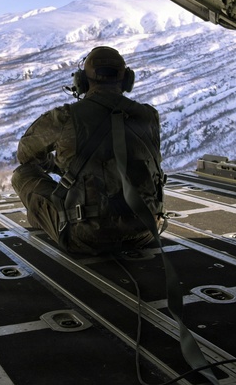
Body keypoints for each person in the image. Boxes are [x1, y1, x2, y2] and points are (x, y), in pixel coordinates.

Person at [12, 46, 166, 255]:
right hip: (146, 232)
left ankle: (55, 224)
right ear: (127, 80)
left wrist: (56, 164)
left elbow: (25, 155)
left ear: (82, 82)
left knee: (23, 174)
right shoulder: (149, 116)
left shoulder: (66, 116)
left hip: (85, 237)